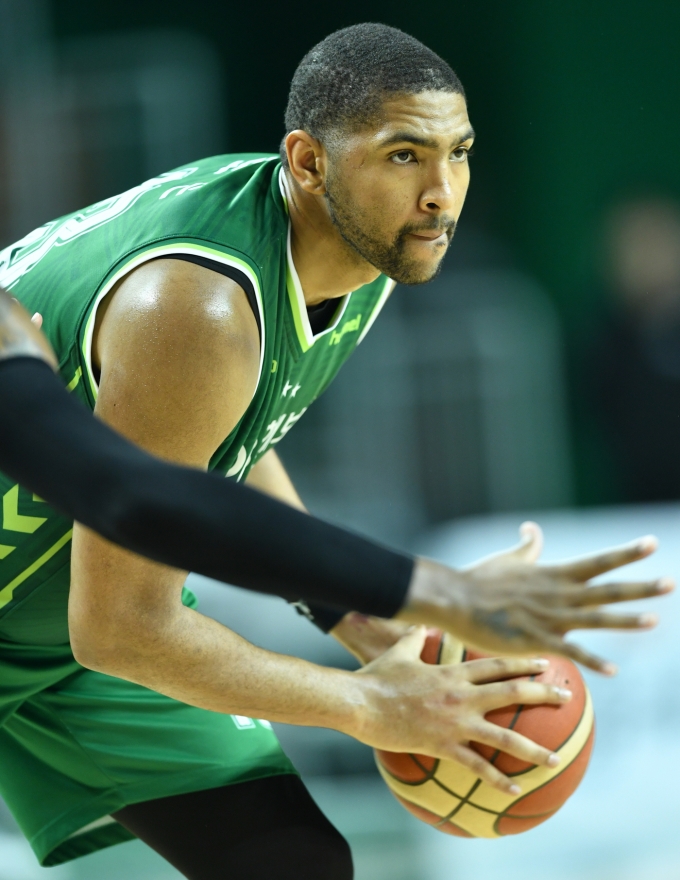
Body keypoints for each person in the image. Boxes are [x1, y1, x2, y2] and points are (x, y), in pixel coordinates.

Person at [0, 24, 669, 879]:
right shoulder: (199, 306)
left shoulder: (357, 253)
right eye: (404, 156)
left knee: (293, 864)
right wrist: (365, 702)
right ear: (310, 162)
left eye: (458, 153)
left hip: (57, 633)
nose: (441, 194)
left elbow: (220, 438)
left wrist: (360, 624)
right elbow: (122, 626)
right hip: (96, 620)